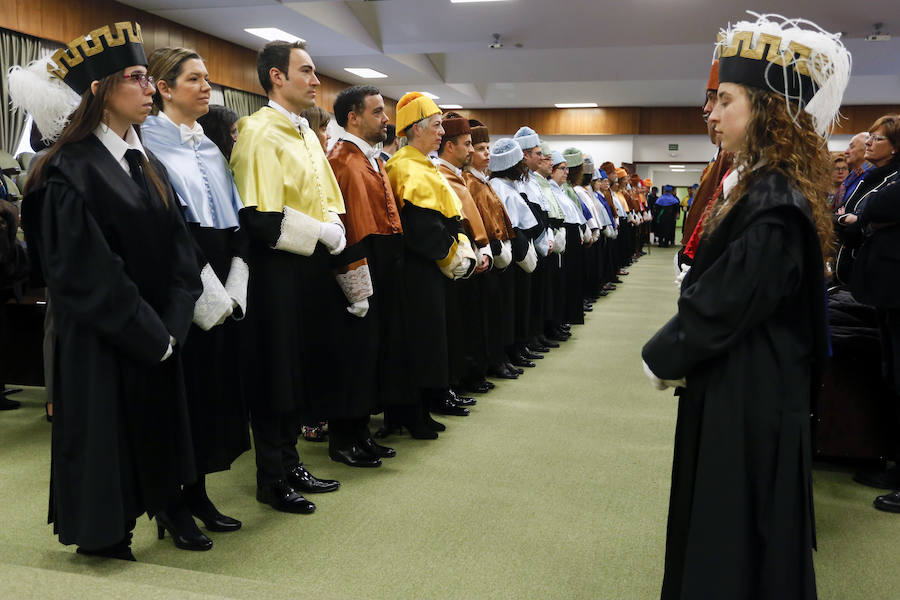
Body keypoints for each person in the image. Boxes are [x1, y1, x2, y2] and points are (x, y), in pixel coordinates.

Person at [642, 13, 849, 599]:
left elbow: (732, 297)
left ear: (766, 108)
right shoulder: (763, 183)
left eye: (725, 99)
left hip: (751, 390)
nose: (711, 113)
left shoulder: (773, 198)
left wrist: (663, 353)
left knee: (734, 529)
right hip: (744, 379)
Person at [21, 21, 205, 559]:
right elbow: (84, 273)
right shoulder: (64, 172)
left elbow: (181, 251)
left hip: (156, 330)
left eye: (150, 79)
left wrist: (172, 323)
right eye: (137, 78)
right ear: (98, 89)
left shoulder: (144, 161)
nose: (150, 90)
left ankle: (169, 508)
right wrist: (151, 332)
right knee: (106, 436)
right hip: (104, 335)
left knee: (160, 428)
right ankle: (107, 531)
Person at [229, 40, 344, 514]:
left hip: (308, 266)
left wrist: (334, 224)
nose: (316, 81)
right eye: (308, 71)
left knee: (300, 368)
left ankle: (291, 462)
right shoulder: (259, 131)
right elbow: (259, 218)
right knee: (276, 373)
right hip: (275, 272)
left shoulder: (306, 132)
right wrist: (321, 230)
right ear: (277, 76)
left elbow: (326, 195)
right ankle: (271, 477)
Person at [142, 47, 250, 538]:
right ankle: (170, 504)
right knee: (178, 398)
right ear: (164, 88)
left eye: (209, 79)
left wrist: (235, 282)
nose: (208, 87)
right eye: (194, 80)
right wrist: (207, 292)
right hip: (182, 287)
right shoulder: (148, 145)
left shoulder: (209, 145)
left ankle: (199, 492)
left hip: (220, 280)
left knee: (210, 394)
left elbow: (233, 220)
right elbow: (172, 233)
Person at [383, 92, 477, 437]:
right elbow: (421, 228)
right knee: (418, 342)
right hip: (417, 271)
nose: (442, 132)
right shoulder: (406, 166)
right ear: (416, 129)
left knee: (429, 340)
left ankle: (417, 409)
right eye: (437, 126)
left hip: (430, 269)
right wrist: (451, 255)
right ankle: (412, 414)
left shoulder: (423, 162)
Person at [325, 84, 403, 465]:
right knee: (351, 354)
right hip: (356, 261)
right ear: (353, 117)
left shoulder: (371, 157)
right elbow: (344, 224)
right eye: (377, 112)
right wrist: (354, 282)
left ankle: (360, 431)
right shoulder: (341, 158)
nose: (386, 119)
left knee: (370, 352)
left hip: (379, 257)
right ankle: (342, 439)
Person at [834, 116, 900, 497]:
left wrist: (864, 217)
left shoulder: (893, 179)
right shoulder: (878, 177)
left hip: (896, 290)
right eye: (870, 137)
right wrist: (862, 219)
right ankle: (894, 464)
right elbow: (858, 217)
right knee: (892, 375)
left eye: (879, 138)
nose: (871, 142)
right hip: (883, 292)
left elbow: (877, 204)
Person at [462, 119, 520, 379]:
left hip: (497, 254)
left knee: (497, 313)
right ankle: (487, 362)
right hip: (484, 255)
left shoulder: (482, 181)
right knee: (483, 316)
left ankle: (498, 358)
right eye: (482, 148)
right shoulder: (468, 182)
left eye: (488, 148)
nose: (487, 153)